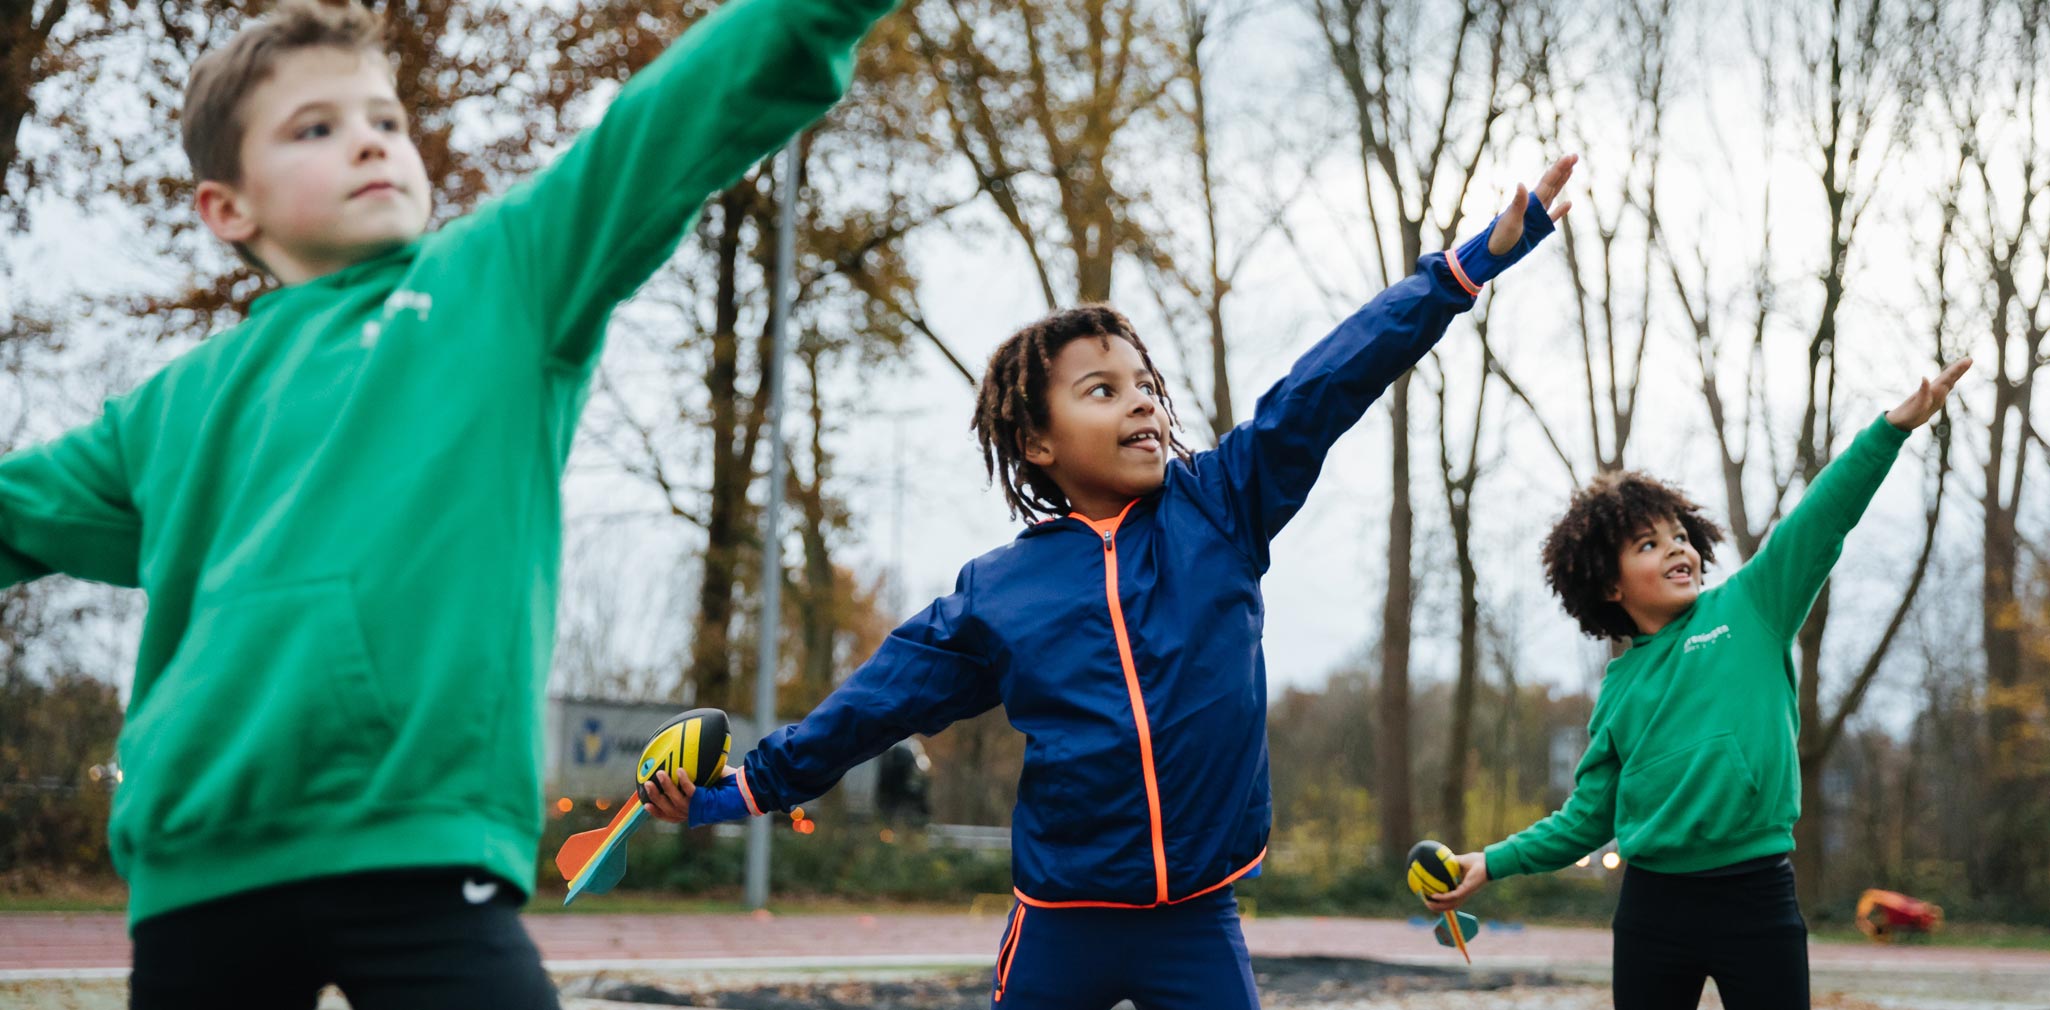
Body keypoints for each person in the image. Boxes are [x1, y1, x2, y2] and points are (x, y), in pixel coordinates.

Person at [0, 0, 899, 1004]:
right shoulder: (168, 410)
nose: (371, 144)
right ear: (227, 207)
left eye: (385, 119)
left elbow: (665, 124)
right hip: (202, 862)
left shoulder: (501, 280)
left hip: (421, 844)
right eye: (316, 128)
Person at [644, 157, 1582, 1009]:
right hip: (1060, 921)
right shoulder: (998, 592)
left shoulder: (1220, 505)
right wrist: (735, 794)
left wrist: (1463, 269)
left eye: (1145, 384)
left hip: (1198, 923)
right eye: (1101, 388)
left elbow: (1325, 382)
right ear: (1037, 443)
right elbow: (874, 705)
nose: (1139, 398)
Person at [1425, 358, 1972, 1010]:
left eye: (1680, 536)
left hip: (1756, 896)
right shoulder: (1619, 692)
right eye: (1649, 545)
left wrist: (1891, 429)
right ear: (1610, 583)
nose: (1678, 549)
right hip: (1654, 908)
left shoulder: (1752, 607)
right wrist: (1492, 861)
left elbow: (1821, 518)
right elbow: (1587, 818)